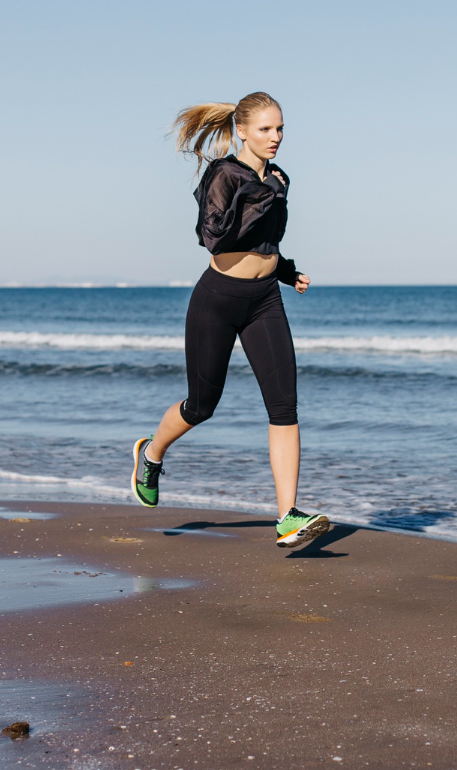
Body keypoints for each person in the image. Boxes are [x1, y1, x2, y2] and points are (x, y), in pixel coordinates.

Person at [131, 91, 330, 551]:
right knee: (202, 406)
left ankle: (287, 517)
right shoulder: (223, 174)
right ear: (242, 130)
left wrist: (286, 271)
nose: (275, 137)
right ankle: (151, 453)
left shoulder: (279, 178)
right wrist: (262, 195)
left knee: (284, 408)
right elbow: (214, 238)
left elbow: (266, 240)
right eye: (266, 129)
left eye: (280, 129)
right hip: (218, 299)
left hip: (265, 300)